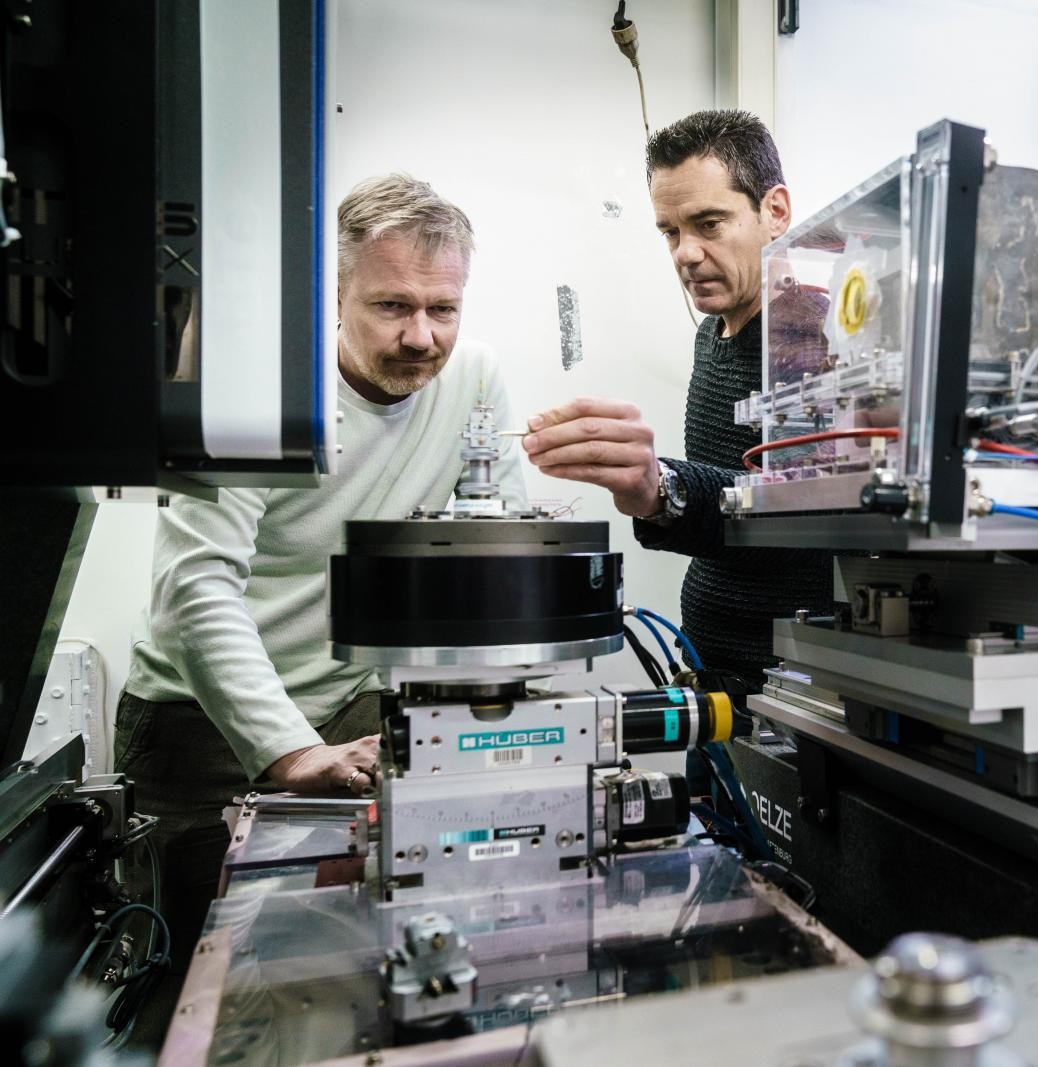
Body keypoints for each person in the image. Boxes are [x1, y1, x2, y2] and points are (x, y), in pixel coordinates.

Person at [115, 173, 526, 1039]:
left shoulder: (475, 380)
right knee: (198, 990)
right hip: (199, 719)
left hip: (352, 705)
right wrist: (286, 748)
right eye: (392, 306)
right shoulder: (258, 382)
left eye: (443, 309)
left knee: (342, 972)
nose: (422, 337)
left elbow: (493, 560)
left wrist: (501, 725)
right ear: (333, 295)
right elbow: (197, 588)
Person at [521, 109, 833, 697]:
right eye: (670, 231)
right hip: (705, 662)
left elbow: (803, 515)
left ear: (776, 212)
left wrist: (662, 487)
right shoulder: (712, 332)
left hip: (793, 685)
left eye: (708, 224)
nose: (684, 253)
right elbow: (726, 522)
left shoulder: (816, 343)